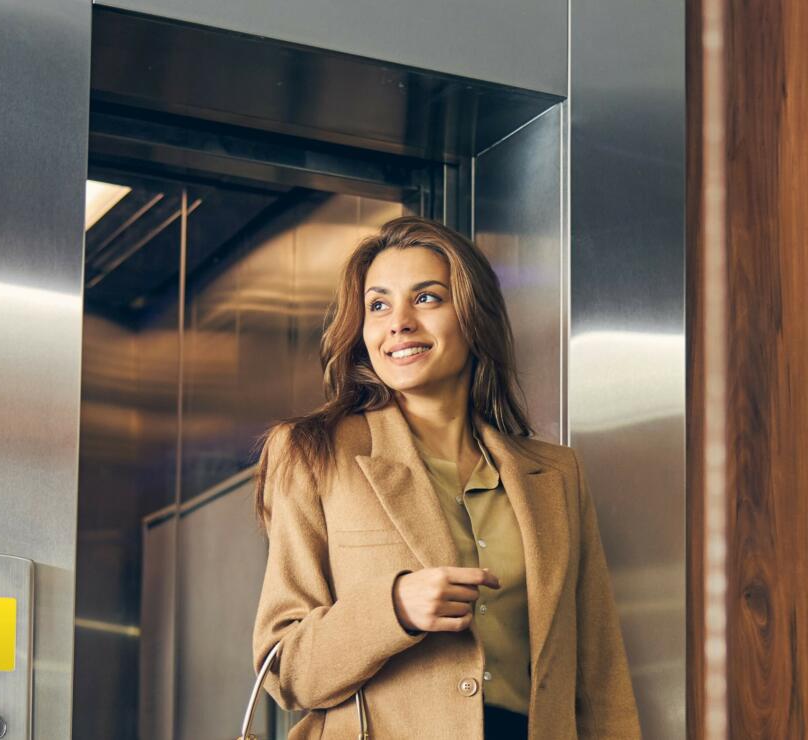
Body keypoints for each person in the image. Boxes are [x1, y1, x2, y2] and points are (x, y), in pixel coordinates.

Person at [251, 216, 640, 739]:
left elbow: (600, 675)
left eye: (427, 298)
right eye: (379, 304)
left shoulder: (555, 475)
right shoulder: (314, 453)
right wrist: (394, 608)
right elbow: (283, 669)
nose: (399, 323)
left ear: (472, 316)